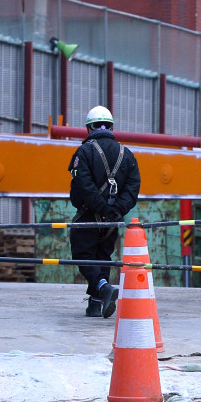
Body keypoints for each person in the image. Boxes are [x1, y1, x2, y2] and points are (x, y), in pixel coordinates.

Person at [68, 105, 141, 318]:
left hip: (89, 215)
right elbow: (133, 187)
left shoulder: (84, 152)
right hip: (112, 220)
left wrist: (100, 209)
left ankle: (103, 288)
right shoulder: (126, 154)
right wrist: (115, 211)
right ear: (111, 127)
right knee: (103, 257)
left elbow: (83, 185)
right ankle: (96, 303)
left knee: (84, 255)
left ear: (89, 128)